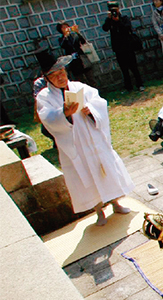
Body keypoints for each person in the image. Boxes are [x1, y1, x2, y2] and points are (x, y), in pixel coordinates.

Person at [36, 52, 135, 226]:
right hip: (75, 144)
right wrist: (64, 114)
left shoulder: (78, 86)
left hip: (93, 137)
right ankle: (98, 211)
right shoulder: (45, 97)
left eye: (62, 73)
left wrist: (91, 110)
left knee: (105, 169)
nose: (61, 77)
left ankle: (115, 203)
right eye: (55, 75)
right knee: (86, 175)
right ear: (48, 78)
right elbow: (47, 118)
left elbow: (99, 102)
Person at [102, 1, 144, 92]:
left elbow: (127, 28)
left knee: (134, 67)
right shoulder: (109, 20)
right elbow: (105, 28)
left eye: (115, 9)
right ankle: (128, 87)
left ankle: (140, 84)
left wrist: (118, 21)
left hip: (128, 46)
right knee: (124, 69)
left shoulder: (124, 18)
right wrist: (109, 19)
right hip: (118, 48)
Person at [57, 22, 96, 86]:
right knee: (79, 81)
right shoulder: (61, 39)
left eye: (67, 27)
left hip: (82, 58)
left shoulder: (74, 35)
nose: (66, 28)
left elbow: (83, 41)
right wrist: (65, 36)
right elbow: (62, 46)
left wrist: (77, 32)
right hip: (73, 61)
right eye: (63, 28)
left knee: (90, 77)